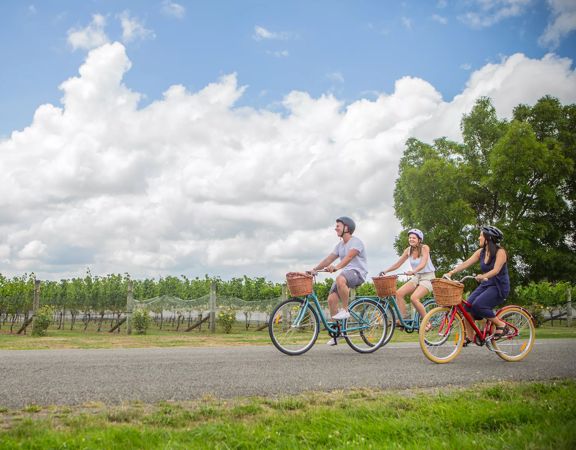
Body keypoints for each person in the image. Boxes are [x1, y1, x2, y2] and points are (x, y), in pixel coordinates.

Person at [445, 225, 512, 344]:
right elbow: (466, 263)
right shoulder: (481, 252)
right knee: (467, 307)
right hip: (486, 284)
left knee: (479, 305)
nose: (478, 238)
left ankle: (501, 325)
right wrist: (452, 272)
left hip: (499, 286)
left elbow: (496, 270)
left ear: (488, 238)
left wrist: (483, 276)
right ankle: (470, 337)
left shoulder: (500, 252)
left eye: (481, 235)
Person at [310, 216, 368, 345]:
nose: (335, 228)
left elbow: (348, 257)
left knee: (340, 278)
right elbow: (328, 259)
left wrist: (336, 267)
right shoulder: (339, 245)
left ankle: (346, 310)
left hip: (358, 273)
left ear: (346, 228)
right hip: (346, 273)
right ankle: (338, 333)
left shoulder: (356, 242)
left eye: (338, 226)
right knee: (331, 299)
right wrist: (314, 269)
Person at [380, 228, 436, 327]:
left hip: (428, 277)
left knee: (414, 298)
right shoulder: (408, 250)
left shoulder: (424, 248)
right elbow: (398, 263)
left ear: (419, 239)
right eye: (410, 238)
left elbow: (423, 263)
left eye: (414, 238)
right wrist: (386, 271)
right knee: (399, 293)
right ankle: (403, 319)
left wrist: (413, 271)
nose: (411, 239)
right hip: (417, 276)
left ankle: (427, 322)